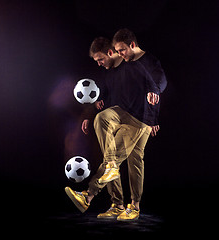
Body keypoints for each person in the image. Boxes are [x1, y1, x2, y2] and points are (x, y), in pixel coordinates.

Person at [65, 35, 163, 221]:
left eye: (101, 59)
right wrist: (88, 115)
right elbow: (98, 97)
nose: (100, 64)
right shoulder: (109, 73)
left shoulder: (133, 64)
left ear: (110, 53)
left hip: (140, 119)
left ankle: (91, 196)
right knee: (110, 143)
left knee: (125, 160)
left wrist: (153, 118)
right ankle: (117, 205)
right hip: (122, 117)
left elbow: (155, 85)